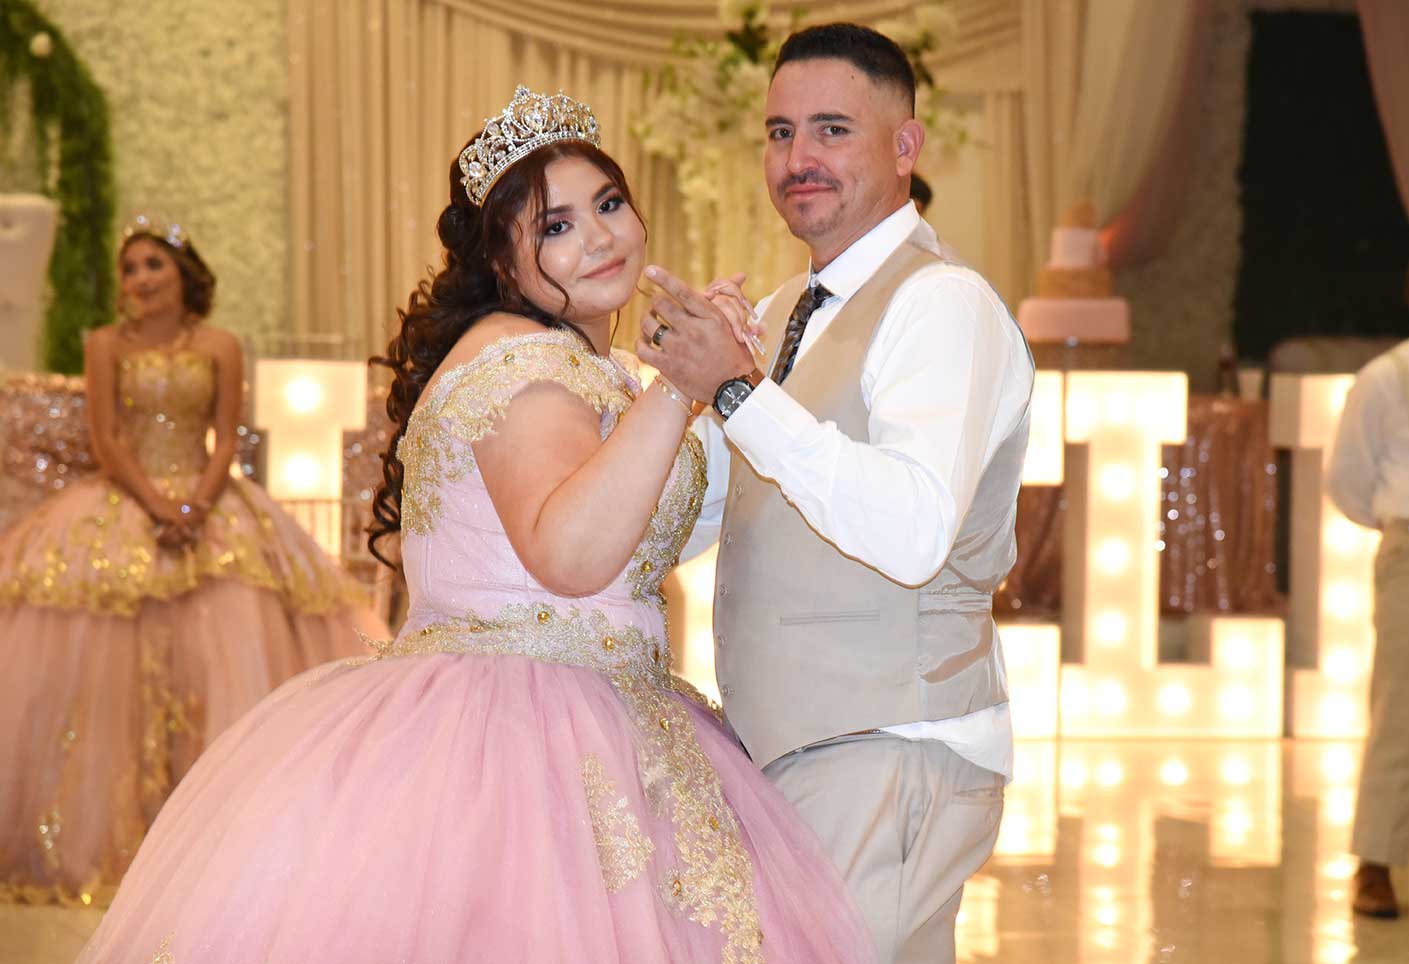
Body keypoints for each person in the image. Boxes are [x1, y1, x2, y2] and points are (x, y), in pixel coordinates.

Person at [72, 87, 875, 963]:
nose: (600, 236)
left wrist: (717, 390)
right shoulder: (524, 360)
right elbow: (569, 554)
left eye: (608, 205)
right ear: (503, 261)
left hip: (604, 712)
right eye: (557, 226)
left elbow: (634, 539)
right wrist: (678, 389)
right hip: (519, 734)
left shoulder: (578, 361)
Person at [637, 23, 1034, 964]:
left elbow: (912, 530)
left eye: (831, 130)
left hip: (891, 741)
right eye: (780, 134)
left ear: (905, 147)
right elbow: (717, 519)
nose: (798, 159)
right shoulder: (781, 313)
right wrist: (655, 412)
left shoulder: (943, 306)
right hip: (787, 750)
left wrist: (738, 390)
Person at [0, 216, 376, 907]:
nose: (138, 279)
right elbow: (107, 438)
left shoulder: (221, 345)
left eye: (152, 266)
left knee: (228, 649)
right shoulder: (105, 345)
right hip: (125, 500)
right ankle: (116, 840)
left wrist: (198, 506)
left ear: (183, 274)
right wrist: (153, 505)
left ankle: (218, 836)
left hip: (209, 501)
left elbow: (227, 437)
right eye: (130, 269)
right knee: (104, 665)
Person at [1328, 237, 1409, 919]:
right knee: (1400, 713)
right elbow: (1346, 478)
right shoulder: (1387, 376)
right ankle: (1374, 864)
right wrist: (1401, 532)